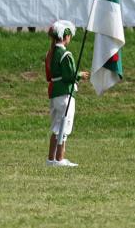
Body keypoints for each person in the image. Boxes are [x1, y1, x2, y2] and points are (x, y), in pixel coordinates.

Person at [45, 20, 85, 167]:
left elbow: (49, 76)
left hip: (55, 92)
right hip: (65, 93)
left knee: (56, 125)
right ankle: (60, 158)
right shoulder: (65, 54)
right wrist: (79, 75)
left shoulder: (50, 53)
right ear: (66, 36)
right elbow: (69, 76)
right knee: (64, 125)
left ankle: (51, 159)